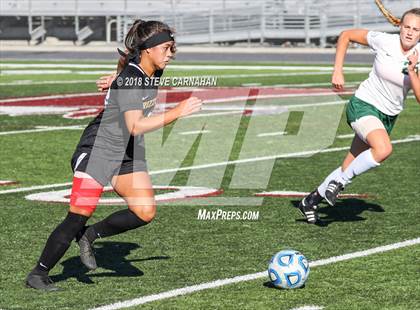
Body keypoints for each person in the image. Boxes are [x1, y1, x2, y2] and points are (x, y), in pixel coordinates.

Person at [26, 19, 203, 291]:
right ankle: (38, 273)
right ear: (149, 49)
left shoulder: (150, 69)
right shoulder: (133, 78)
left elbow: (127, 67)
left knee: (144, 211)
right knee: (77, 216)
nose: (171, 54)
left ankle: (90, 235)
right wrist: (177, 111)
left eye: (173, 48)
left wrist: (115, 77)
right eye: (167, 48)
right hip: (98, 148)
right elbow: (135, 125)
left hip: (127, 151)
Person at [298, 8, 420, 224]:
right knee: (383, 149)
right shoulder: (385, 41)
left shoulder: (419, 56)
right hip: (363, 105)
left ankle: (310, 200)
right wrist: (338, 70)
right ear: (400, 26)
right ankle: (340, 182)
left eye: (416, 29)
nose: (410, 33)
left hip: (387, 116)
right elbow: (346, 35)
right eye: (407, 27)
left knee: (349, 165)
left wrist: (412, 71)